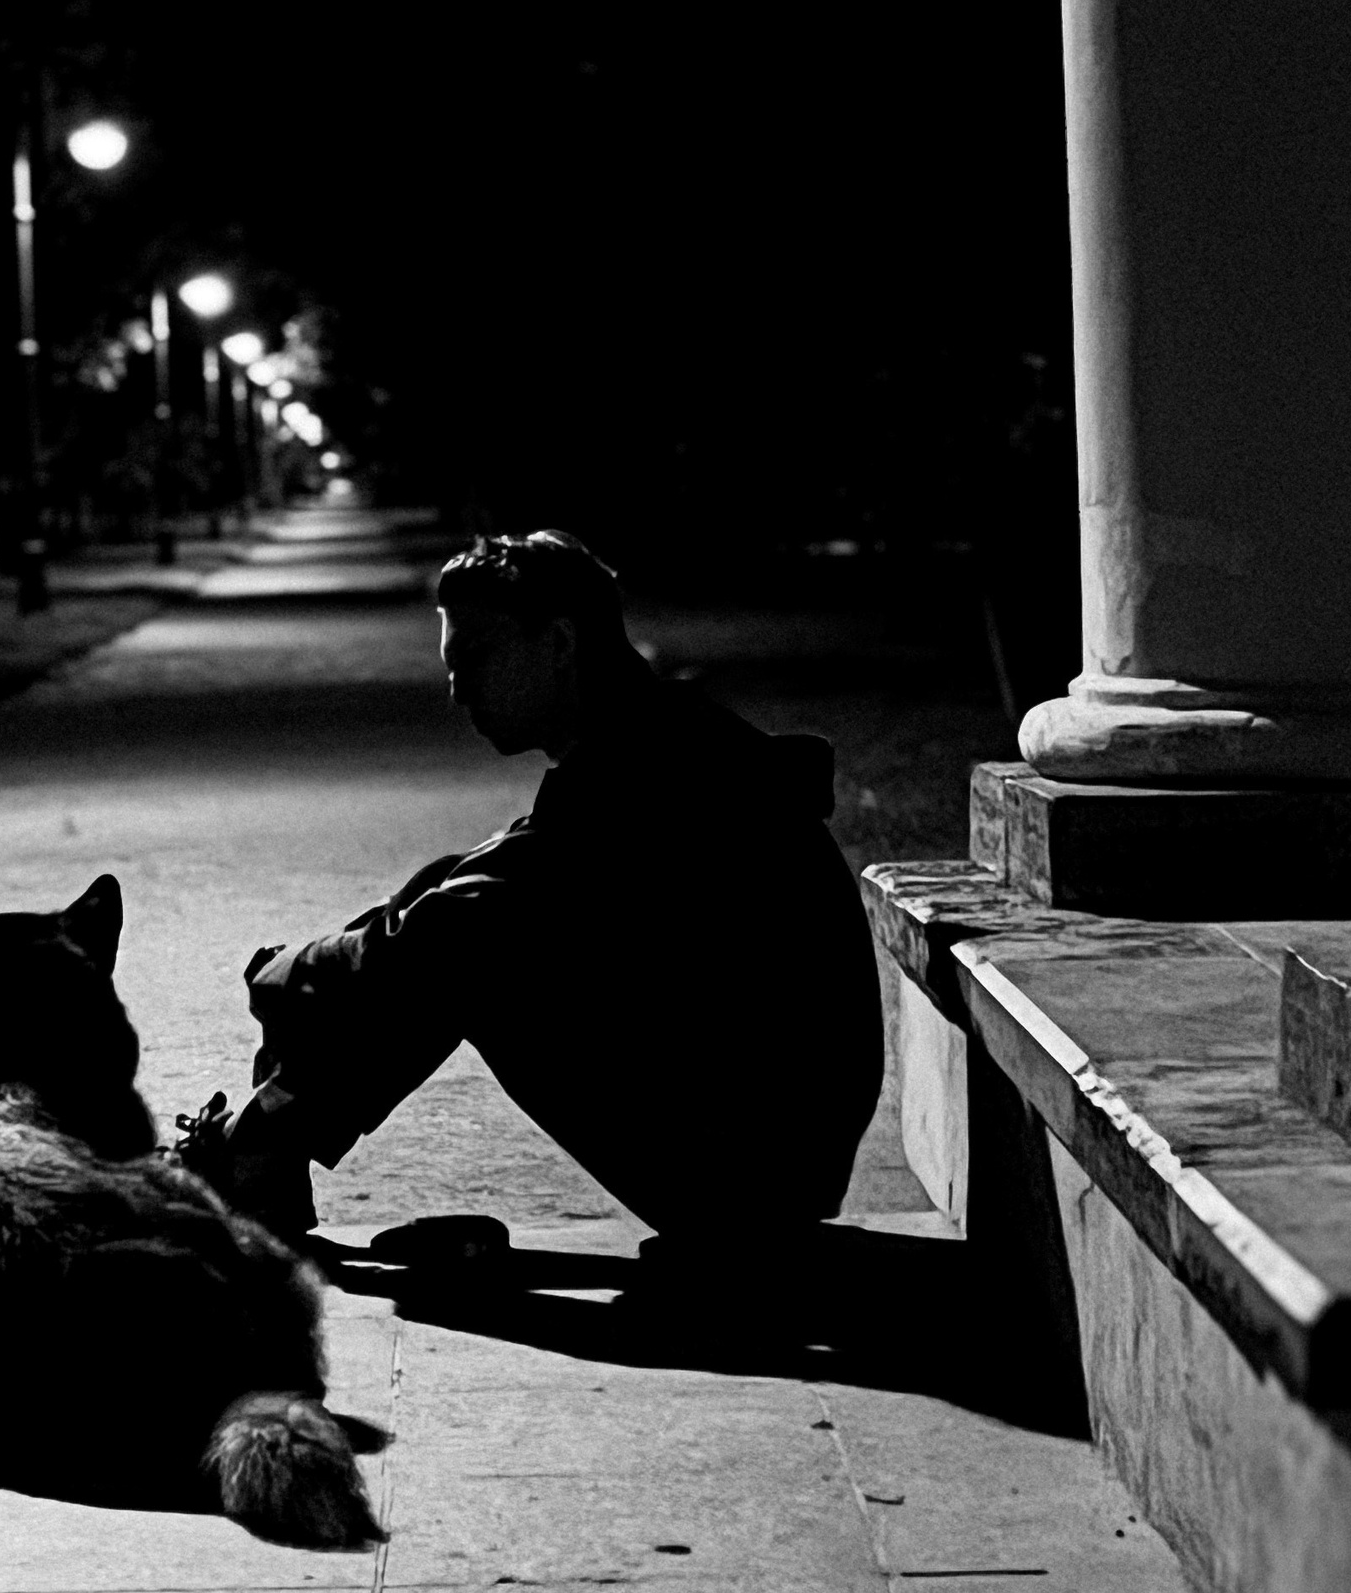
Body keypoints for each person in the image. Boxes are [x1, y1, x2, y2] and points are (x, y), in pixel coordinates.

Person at [179, 529, 885, 1286]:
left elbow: (449, 938)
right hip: (769, 1145)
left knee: (467, 949)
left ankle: (249, 1151)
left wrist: (286, 974)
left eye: (474, 660)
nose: (458, 691)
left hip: (749, 1172)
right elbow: (471, 893)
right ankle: (256, 1151)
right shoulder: (659, 739)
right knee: (457, 896)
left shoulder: (641, 775)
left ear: (557, 643)